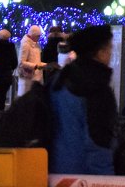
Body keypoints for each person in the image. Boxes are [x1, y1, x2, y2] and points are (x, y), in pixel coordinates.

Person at [48, 25, 118, 176]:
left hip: (54, 171)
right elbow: (98, 142)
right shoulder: (96, 87)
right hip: (83, 175)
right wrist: (106, 181)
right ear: (99, 53)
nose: (111, 53)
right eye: (109, 48)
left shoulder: (59, 80)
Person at [19, 25, 43, 95]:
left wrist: (46, 65)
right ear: (33, 35)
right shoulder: (25, 44)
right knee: (26, 101)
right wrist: (35, 66)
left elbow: (36, 60)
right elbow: (21, 62)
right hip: (27, 78)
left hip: (36, 78)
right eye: (38, 36)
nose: (39, 38)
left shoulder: (36, 45)